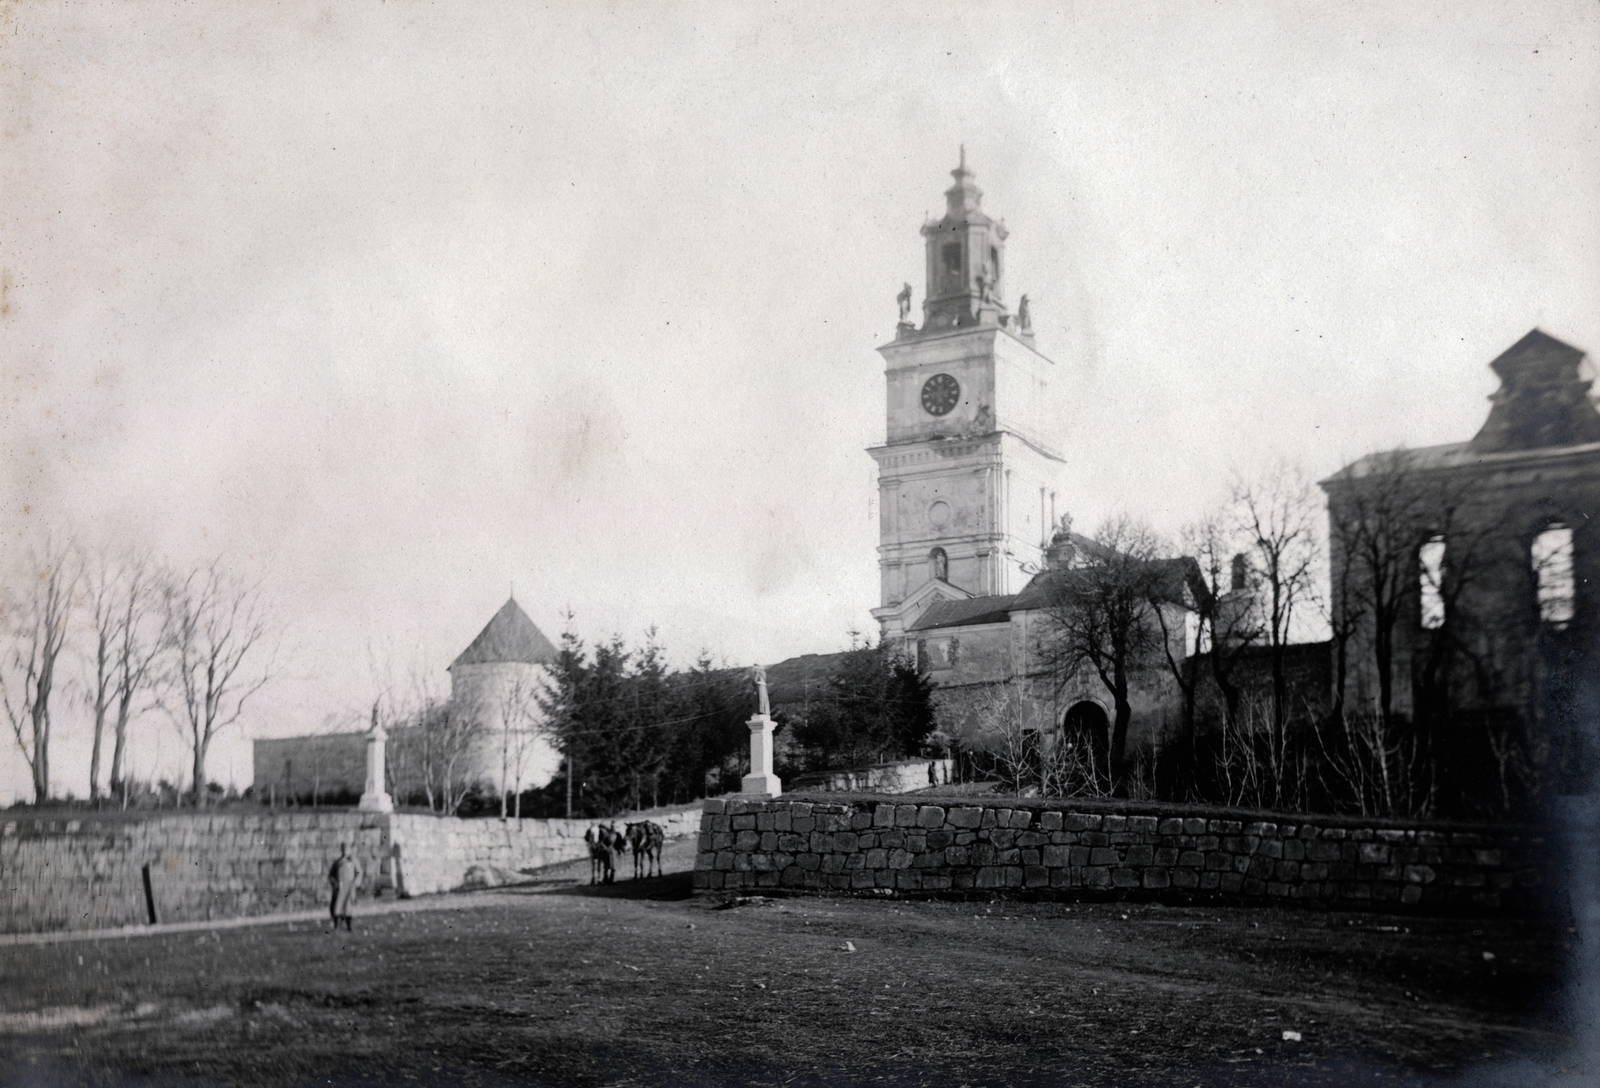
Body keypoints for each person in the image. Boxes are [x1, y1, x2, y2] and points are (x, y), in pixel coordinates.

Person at [328, 843, 363, 931]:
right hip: (340, 888)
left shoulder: (354, 861)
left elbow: (359, 872)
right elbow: (331, 876)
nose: (345, 850)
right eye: (343, 848)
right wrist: (335, 883)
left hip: (350, 888)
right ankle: (337, 925)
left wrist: (355, 883)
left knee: (348, 907)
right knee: (338, 906)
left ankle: (349, 925)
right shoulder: (337, 862)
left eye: (346, 848)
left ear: (350, 849)